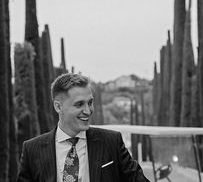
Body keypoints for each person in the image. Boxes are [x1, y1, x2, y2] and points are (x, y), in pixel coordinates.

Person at [17, 73, 150, 182]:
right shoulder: (32, 150)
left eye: (90, 102)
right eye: (79, 104)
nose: (88, 110)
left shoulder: (112, 142)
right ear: (58, 107)